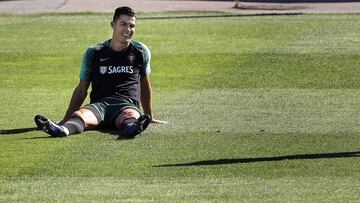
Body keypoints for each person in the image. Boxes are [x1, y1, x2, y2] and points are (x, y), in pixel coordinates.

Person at [35, 6, 166, 139]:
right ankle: (62, 130)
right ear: (113, 25)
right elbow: (82, 89)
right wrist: (65, 119)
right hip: (99, 106)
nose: (128, 29)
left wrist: (150, 116)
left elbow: (144, 84)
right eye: (123, 24)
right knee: (80, 115)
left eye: (132, 25)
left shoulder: (141, 51)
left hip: (126, 105)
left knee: (131, 117)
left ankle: (131, 129)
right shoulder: (94, 52)